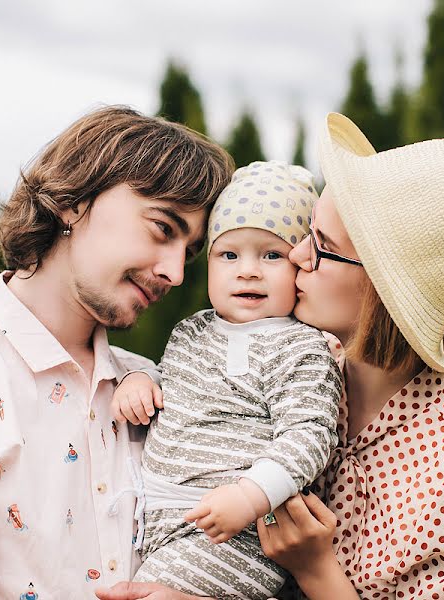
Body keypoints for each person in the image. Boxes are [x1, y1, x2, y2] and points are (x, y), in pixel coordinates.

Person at [0, 105, 234, 599]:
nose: (176, 272)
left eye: (188, 251)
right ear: (74, 202)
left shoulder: (160, 388)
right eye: (163, 228)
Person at [252, 113, 444, 599]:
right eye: (309, 233)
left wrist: (316, 570)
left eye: (323, 247)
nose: (296, 257)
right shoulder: (298, 363)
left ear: (383, 290)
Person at [111, 161, 342, 600]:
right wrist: (140, 380)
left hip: (235, 537)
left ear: (300, 265)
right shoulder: (192, 331)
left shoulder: (301, 346)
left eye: (272, 255)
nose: (248, 270)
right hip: (159, 522)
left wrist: (251, 496)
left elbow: (310, 435)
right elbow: (174, 387)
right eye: (229, 254)